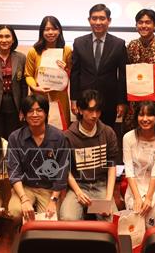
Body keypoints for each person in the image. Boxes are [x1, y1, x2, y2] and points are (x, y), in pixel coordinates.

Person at [7, 95, 70, 224]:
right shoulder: (15, 137)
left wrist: (54, 200)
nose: (35, 114)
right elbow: (14, 171)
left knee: (48, 221)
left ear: (46, 113)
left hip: (48, 188)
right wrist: (24, 199)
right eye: (30, 111)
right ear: (24, 115)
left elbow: (62, 171)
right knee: (15, 212)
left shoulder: (58, 137)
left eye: (39, 110)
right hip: (25, 187)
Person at [60, 90, 118, 221]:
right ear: (80, 110)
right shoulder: (68, 136)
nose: (94, 115)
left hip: (101, 187)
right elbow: (65, 169)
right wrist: (78, 192)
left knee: (111, 221)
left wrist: (108, 199)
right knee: (67, 219)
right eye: (90, 110)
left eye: (98, 111)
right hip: (79, 187)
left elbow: (112, 166)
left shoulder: (108, 133)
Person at [70, 4, 128, 128]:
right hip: (84, 100)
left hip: (109, 100)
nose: (98, 22)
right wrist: (73, 100)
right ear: (89, 20)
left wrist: (122, 102)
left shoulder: (119, 44)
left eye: (102, 18)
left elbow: (123, 75)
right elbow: (75, 73)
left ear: (109, 20)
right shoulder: (79, 42)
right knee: (84, 133)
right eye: (94, 18)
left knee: (106, 133)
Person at [122, 101, 155, 227]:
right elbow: (129, 170)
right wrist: (138, 197)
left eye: (149, 115)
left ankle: (149, 233)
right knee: (136, 204)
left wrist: (148, 198)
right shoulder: (128, 138)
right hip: (135, 183)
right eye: (141, 115)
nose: (145, 119)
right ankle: (139, 237)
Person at [125, 9, 155, 131]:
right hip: (133, 103)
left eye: (148, 22)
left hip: (153, 104)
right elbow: (125, 72)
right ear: (136, 25)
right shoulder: (131, 46)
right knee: (131, 136)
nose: (144, 26)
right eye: (140, 22)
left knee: (152, 137)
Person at [25, 16, 73, 130]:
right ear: (42, 32)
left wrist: (66, 69)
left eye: (54, 29)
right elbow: (28, 75)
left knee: (60, 132)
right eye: (46, 29)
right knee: (39, 129)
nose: (50, 32)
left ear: (59, 30)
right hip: (39, 96)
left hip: (60, 98)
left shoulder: (67, 50)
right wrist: (35, 88)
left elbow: (72, 74)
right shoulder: (34, 51)